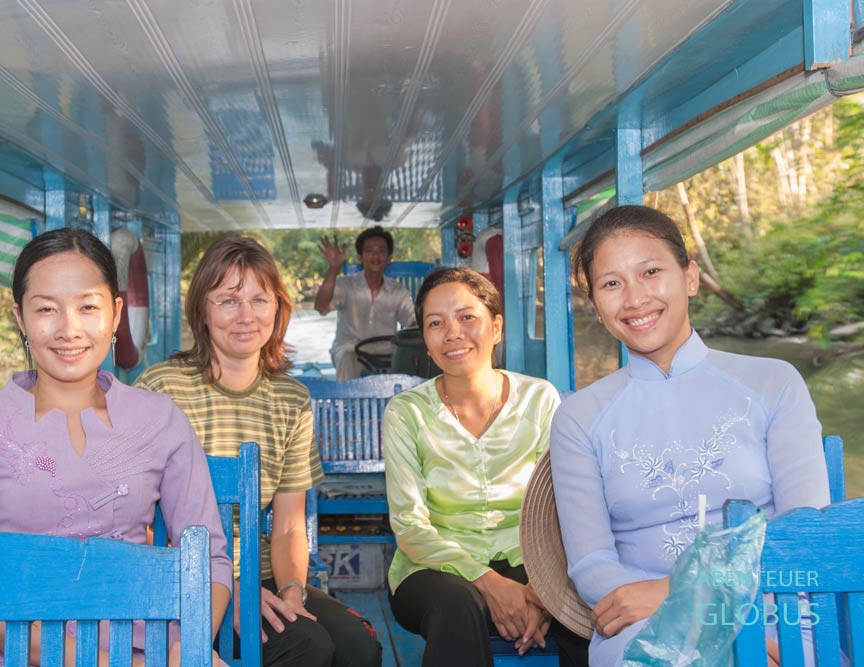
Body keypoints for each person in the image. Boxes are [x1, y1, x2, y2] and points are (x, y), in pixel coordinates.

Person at [0, 228, 233, 666]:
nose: (68, 329)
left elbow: (208, 559)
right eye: (46, 309)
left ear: (114, 314)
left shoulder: (159, 419)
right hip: (10, 653)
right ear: (20, 318)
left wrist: (183, 653)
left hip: (147, 650)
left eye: (87, 307)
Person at [549, 205, 832, 666]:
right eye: (612, 283)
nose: (635, 298)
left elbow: (802, 531)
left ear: (691, 278)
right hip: (644, 620)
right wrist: (674, 608)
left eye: (651, 272)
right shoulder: (578, 418)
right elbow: (591, 563)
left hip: (775, 605)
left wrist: (694, 599)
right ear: (597, 307)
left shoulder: (773, 383)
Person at [135, 236, 382, 667]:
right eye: (229, 301)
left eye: (259, 300)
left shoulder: (291, 399)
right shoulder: (161, 389)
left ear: (278, 308)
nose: (246, 316)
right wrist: (224, 587)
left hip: (261, 571)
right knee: (309, 646)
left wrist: (291, 592)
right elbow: (139, 521)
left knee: (358, 646)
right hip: (186, 578)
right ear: (203, 310)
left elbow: (288, 525)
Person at [382, 266, 590, 667]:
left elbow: (563, 505)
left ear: (496, 327)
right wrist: (489, 583)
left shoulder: (539, 399)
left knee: (586, 609)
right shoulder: (406, 412)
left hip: (532, 558)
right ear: (425, 341)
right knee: (458, 606)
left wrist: (543, 592)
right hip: (434, 567)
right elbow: (409, 525)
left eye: (467, 318)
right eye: (435, 323)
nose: (452, 334)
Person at [314, 225, 416, 380]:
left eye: (381, 251)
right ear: (360, 257)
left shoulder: (398, 291)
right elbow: (321, 306)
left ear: (389, 258)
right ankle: (345, 403)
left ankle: (403, 402)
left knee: (410, 355)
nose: (375, 255)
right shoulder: (346, 285)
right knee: (348, 356)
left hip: (386, 351)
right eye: (369, 250)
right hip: (350, 349)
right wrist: (334, 269)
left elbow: (412, 322)